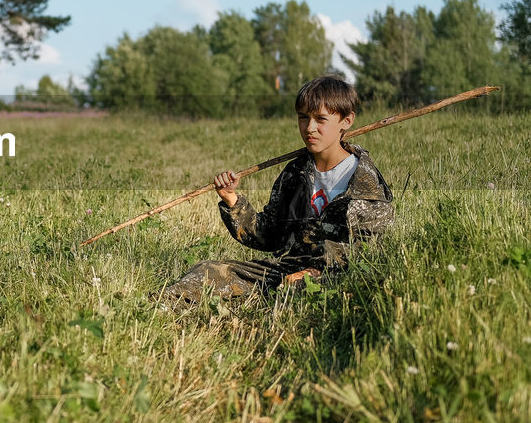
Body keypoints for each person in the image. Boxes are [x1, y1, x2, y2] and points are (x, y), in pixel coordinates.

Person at [162, 75, 394, 305]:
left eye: (321, 119)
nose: (310, 128)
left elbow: (369, 252)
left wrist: (316, 272)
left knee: (303, 289)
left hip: (338, 274)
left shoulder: (364, 182)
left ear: (347, 120)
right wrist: (231, 199)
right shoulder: (295, 173)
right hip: (286, 269)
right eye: (303, 118)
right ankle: (162, 305)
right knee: (208, 271)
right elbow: (269, 236)